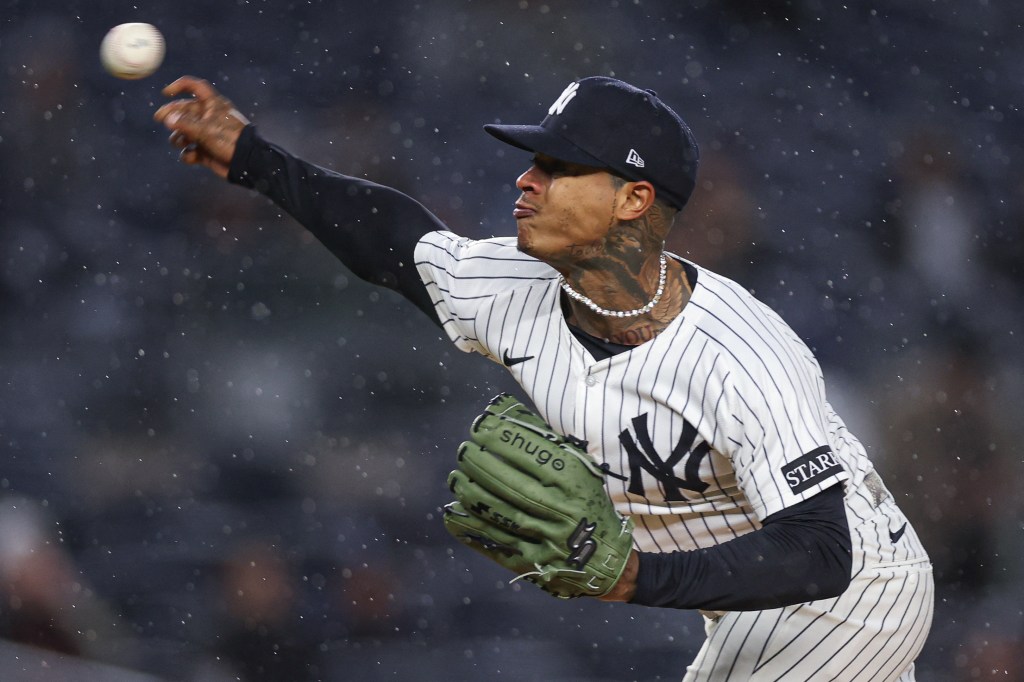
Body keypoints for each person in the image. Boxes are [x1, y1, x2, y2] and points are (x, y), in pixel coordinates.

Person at [155, 74, 934, 681]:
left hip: (851, 598)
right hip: (744, 607)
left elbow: (819, 553)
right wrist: (256, 159)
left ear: (633, 200)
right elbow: (395, 242)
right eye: (534, 159)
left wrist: (635, 578)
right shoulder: (513, 287)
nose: (528, 180)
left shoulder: (745, 356)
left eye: (560, 166)